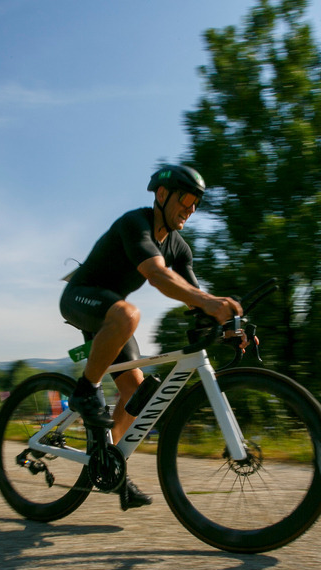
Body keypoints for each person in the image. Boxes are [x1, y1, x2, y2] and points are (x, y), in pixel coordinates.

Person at [60, 163, 244, 510]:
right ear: (162, 195)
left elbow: (196, 297)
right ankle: (85, 393)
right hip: (81, 297)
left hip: (112, 316)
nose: (190, 209)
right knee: (128, 314)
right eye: (186, 199)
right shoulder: (135, 224)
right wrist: (209, 302)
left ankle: (108, 465)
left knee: (136, 391)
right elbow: (158, 276)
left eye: (195, 204)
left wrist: (229, 327)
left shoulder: (180, 247)